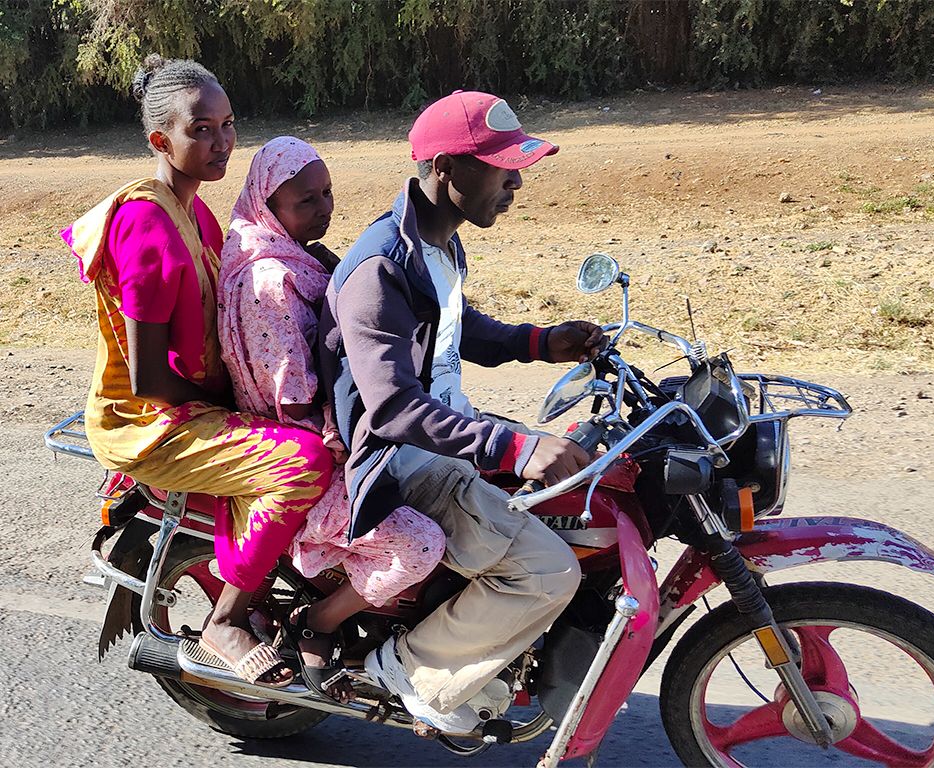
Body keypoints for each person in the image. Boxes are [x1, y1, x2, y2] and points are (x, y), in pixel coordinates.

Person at [318, 90, 606, 733]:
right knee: (546, 570)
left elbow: (455, 325)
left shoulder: (439, 244)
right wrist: (512, 448)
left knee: (585, 491)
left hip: (448, 438)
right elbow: (391, 406)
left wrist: (538, 341)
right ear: (447, 168)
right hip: (406, 460)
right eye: (502, 166)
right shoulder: (379, 269)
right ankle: (409, 667)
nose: (516, 183)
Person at [62, 55, 334, 689]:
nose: (222, 142)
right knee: (305, 461)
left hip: (196, 398)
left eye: (228, 124)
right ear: (162, 141)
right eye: (202, 130)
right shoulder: (145, 227)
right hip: (152, 419)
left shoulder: (201, 212)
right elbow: (151, 378)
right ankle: (228, 620)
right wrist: (236, 404)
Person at [217, 136, 445, 696]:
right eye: (306, 201)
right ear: (269, 207)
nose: (324, 209)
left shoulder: (304, 256)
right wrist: (349, 435)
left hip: (340, 432)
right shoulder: (270, 281)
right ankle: (317, 622)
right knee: (420, 543)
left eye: (328, 193)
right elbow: (290, 394)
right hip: (307, 459)